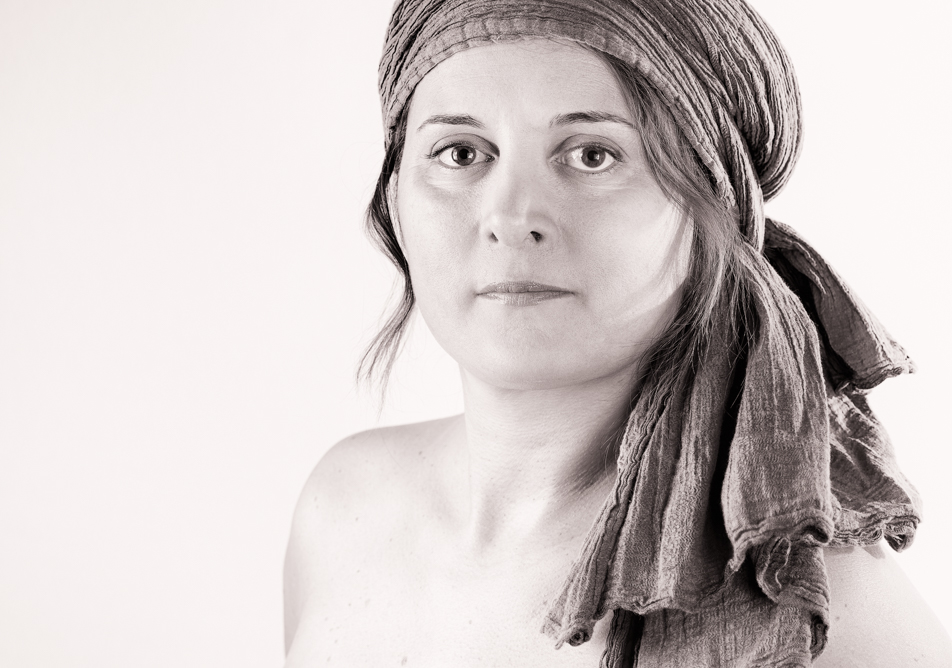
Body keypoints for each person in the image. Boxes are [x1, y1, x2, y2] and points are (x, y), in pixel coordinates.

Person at [283, 0, 952, 665]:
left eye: (592, 155)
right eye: (460, 152)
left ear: (713, 210)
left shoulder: (813, 617)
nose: (510, 216)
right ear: (394, 201)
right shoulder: (342, 509)